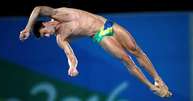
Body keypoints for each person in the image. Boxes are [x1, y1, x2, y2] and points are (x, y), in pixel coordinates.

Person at [19, 6, 172, 98]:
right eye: (45, 36)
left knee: (136, 50)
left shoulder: (58, 13)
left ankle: (158, 79)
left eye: (45, 32)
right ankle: (151, 87)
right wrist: (72, 67)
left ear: (45, 23)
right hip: (99, 35)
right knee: (127, 59)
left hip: (107, 24)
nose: (47, 35)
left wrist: (27, 28)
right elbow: (70, 55)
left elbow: (38, 9)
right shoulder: (61, 38)